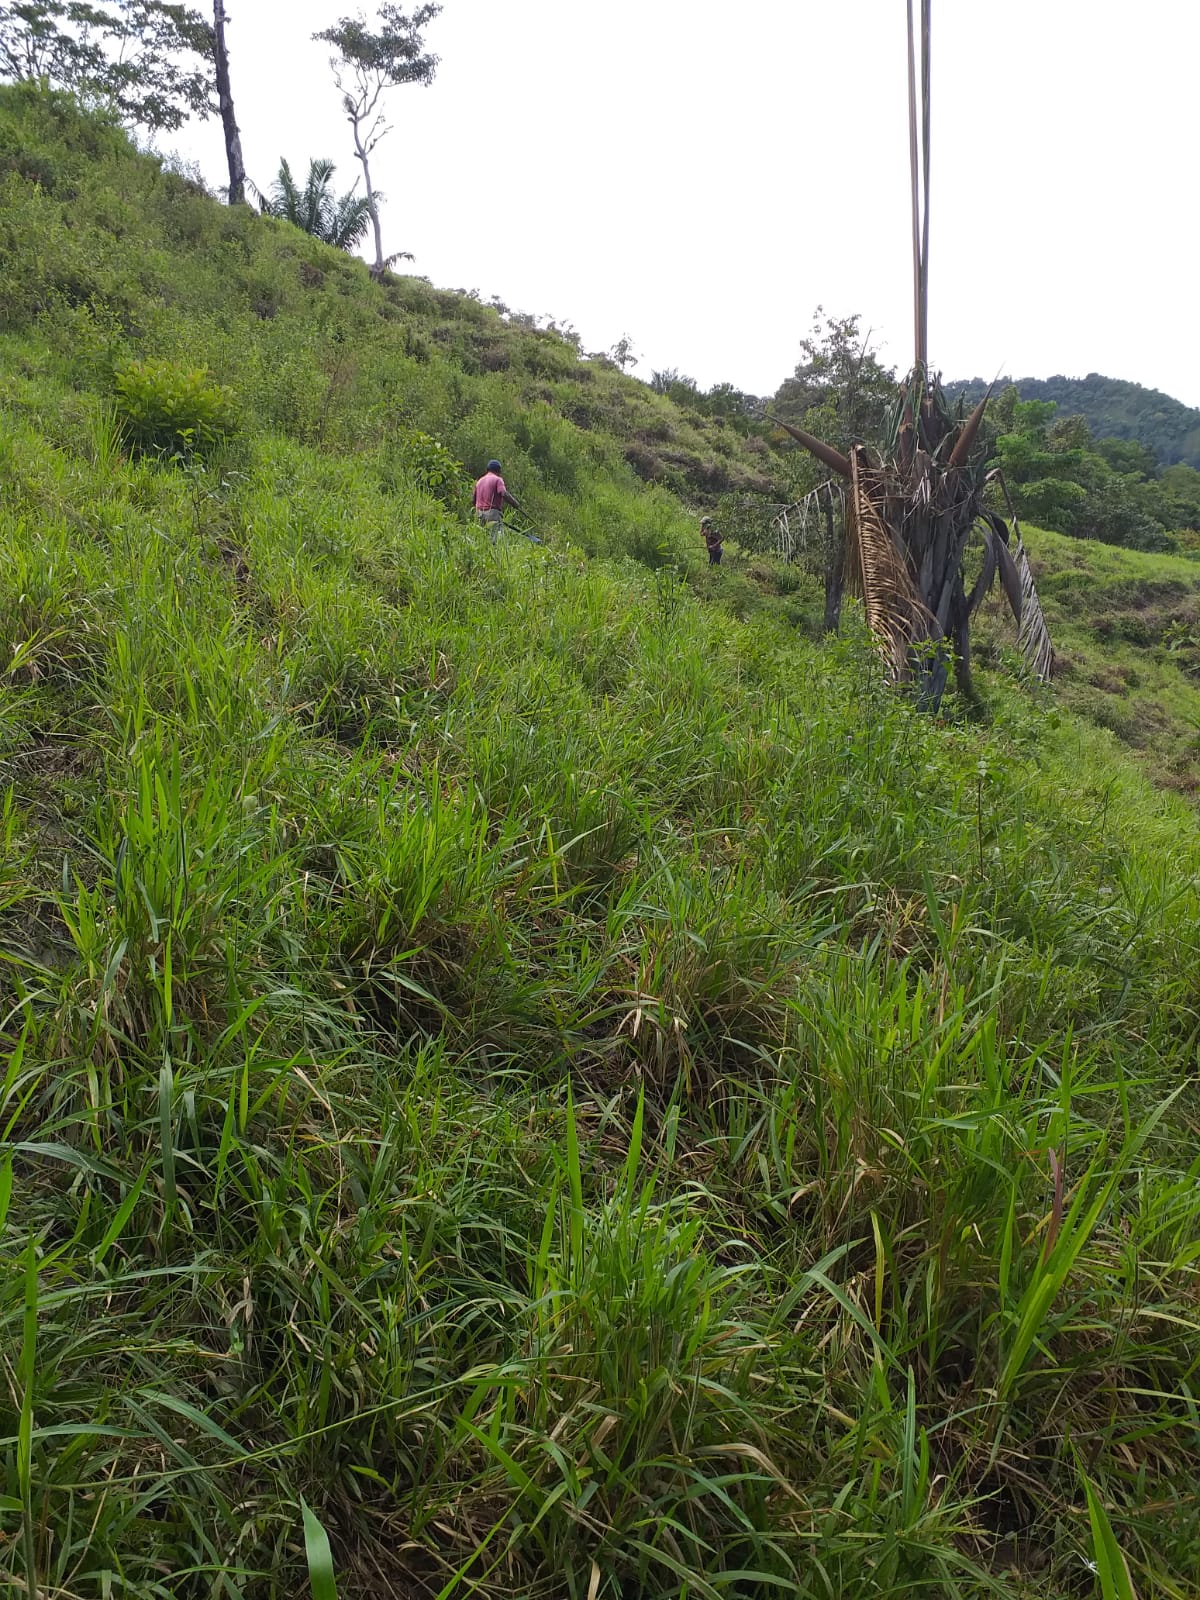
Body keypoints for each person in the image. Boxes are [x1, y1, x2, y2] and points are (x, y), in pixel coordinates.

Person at [473, 459, 521, 544]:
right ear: (498, 471)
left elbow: (473, 499)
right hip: (492, 513)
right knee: (495, 540)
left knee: (482, 539)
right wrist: (515, 504)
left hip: (479, 513)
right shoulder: (498, 480)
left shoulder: (479, 481)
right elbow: (503, 493)